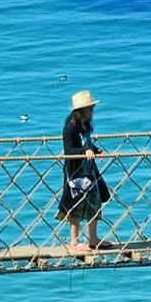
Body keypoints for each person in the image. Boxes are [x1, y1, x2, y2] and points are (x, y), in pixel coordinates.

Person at [60, 90, 112, 253]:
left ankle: (93, 238)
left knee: (95, 202)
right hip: (76, 173)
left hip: (89, 172)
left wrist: (96, 150)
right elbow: (68, 150)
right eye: (90, 109)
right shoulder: (70, 127)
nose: (92, 111)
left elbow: (87, 144)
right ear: (81, 110)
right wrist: (84, 152)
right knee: (76, 205)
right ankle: (74, 242)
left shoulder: (86, 125)